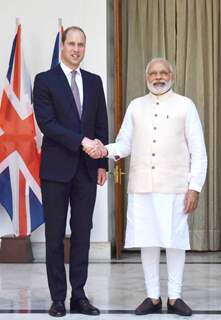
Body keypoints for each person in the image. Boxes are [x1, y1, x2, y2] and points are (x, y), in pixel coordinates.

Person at [86, 57, 207, 316]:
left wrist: (194, 187)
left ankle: (175, 297)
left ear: (171, 76)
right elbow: (124, 143)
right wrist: (103, 150)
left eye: (163, 72)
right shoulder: (135, 106)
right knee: (148, 241)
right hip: (142, 187)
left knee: (175, 242)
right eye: (153, 73)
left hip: (175, 187)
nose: (158, 77)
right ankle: (153, 296)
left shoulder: (185, 105)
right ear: (146, 77)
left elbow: (199, 151)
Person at [33, 26, 108, 317]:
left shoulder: (93, 81)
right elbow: (47, 124)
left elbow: (101, 123)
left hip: (88, 171)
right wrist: (82, 141)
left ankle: (79, 295)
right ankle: (58, 299)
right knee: (54, 237)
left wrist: (102, 162)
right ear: (63, 46)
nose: (76, 49)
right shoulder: (45, 80)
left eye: (81, 45)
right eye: (71, 44)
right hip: (55, 169)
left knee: (82, 235)